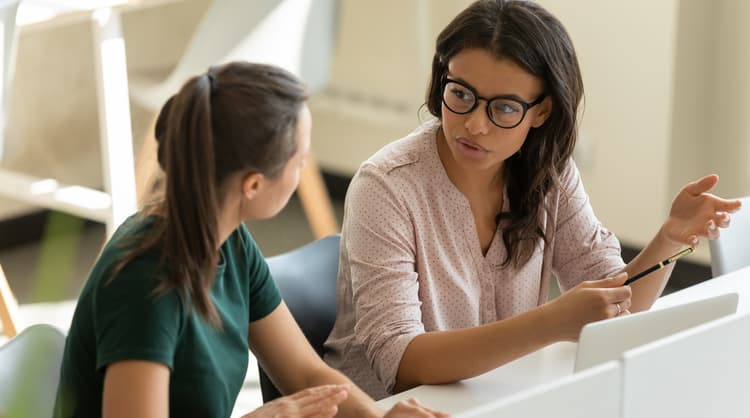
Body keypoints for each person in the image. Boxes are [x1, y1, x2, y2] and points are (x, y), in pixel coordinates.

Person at [323, 0, 742, 400]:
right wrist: (550, 323)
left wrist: (668, 239)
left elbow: (618, 310)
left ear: (541, 111)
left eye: (504, 109)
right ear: (442, 79)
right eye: (461, 93)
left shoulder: (550, 172)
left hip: (499, 397)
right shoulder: (386, 186)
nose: (474, 125)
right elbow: (400, 361)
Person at [53, 62, 447, 418]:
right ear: (253, 185)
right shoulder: (144, 284)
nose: (303, 168)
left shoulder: (230, 241)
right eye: (300, 160)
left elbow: (306, 373)